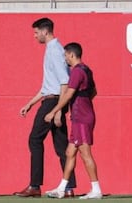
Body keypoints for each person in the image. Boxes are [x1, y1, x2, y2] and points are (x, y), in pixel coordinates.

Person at [14, 17, 76, 198]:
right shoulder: (52, 49)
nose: (34, 36)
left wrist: (57, 110)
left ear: (45, 31)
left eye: (36, 32)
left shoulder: (55, 51)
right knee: (61, 146)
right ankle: (69, 187)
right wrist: (30, 104)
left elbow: (65, 82)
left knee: (34, 139)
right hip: (51, 99)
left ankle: (34, 185)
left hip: (54, 101)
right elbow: (48, 85)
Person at [44, 42, 102, 199]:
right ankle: (62, 188)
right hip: (80, 117)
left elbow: (68, 95)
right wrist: (82, 104)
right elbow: (94, 91)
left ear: (71, 55)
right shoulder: (86, 70)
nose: (65, 59)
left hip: (82, 118)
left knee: (85, 153)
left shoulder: (76, 72)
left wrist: (53, 111)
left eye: (65, 56)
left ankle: (96, 189)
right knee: (70, 153)